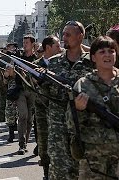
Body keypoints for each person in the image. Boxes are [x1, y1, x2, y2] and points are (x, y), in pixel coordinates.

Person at [43, 21, 94, 179]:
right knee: (59, 171)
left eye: (68, 34)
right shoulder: (53, 62)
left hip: (83, 126)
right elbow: (44, 97)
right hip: (58, 127)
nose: (64, 37)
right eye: (63, 34)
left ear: (80, 36)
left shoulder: (91, 63)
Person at [67, 36, 119, 180]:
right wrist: (78, 109)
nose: (108, 55)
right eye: (102, 52)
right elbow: (71, 125)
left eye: (111, 51)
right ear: (93, 58)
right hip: (93, 157)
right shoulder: (83, 85)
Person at [33, 35, 62, 179]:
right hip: (42, 107)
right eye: (57, 45)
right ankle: (46, 171)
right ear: (48, 47)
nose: (60, 48)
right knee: (44, 139)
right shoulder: (36, 65)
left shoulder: (61, 63)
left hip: (58, 108)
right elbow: (30, 84)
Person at [15, 34, 37, 155]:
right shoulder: (18, 58)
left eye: (27, 43)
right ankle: (21, 145)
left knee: (29, 119)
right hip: (21, 90)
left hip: (33, 91)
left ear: (32, 44)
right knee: (23, 116)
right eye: (23, 43)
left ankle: (26, 142)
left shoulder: (36, 59)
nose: (24, 45)